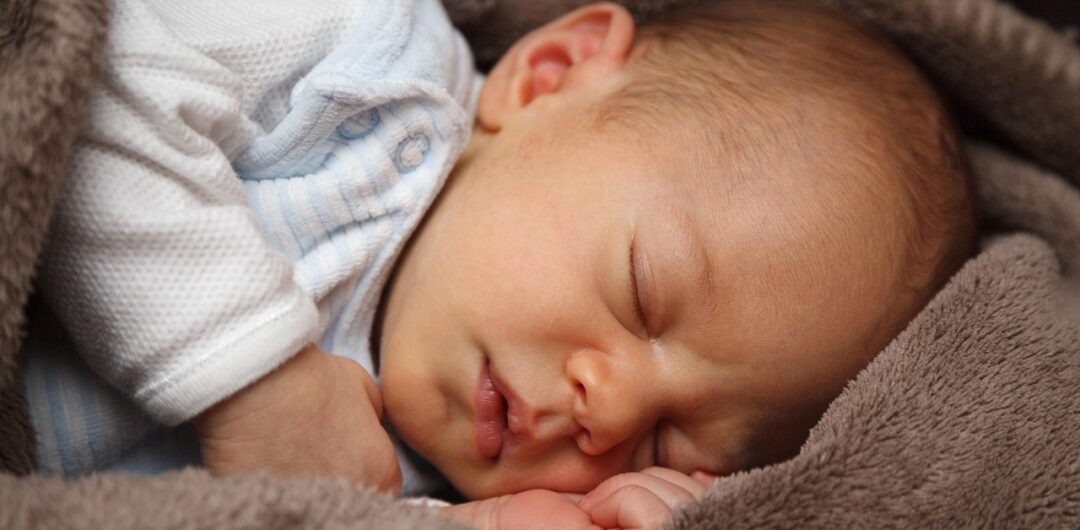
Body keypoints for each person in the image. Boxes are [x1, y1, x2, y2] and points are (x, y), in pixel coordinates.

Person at [24, 0, 975, 527]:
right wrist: (257, 381)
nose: (608, 412)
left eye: (663, 445)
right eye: (641, 298)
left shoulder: (425, 484)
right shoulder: (358, 71)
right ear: (550, 76)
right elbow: (98, 73)